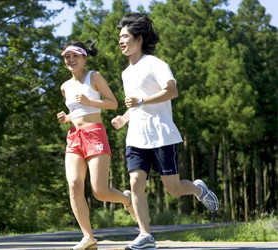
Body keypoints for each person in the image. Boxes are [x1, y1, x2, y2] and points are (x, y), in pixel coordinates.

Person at [111, 13, 219, 250]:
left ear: (139, 38)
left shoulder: (156, 64)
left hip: (161, 134)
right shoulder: (126, 73)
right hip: (136, 136)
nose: (120, 41)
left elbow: (172, 91)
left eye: (124, 36)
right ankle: (145, 235)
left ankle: (198, 189)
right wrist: (123, 118)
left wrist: (141, 101)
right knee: (136, 181)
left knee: (173, 188)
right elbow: (135, 105)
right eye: (119, 36)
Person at [57, 40, 136, 250]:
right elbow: (77, 111)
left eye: (75, 56)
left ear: (84, 58)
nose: (70, 60)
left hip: (95, 134)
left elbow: (112, 103)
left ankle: (127, 200)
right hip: (74, 136)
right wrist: (68, 117)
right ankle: (88, 237)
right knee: (74, 184)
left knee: (99, 191)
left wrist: (90, 102)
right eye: (67, 56)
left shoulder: (95, 77)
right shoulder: (65, 86)